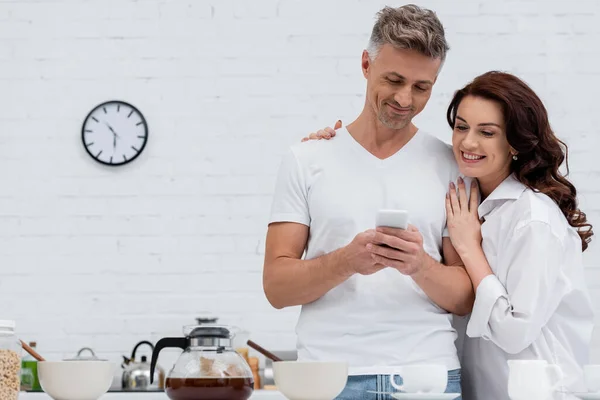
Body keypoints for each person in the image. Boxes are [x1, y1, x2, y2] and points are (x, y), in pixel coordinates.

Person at [303, 71, 595, 400]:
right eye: (461, 127)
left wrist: (469, 248)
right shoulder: (466, 203)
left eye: (487, 132)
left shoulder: (532, 219)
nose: (468, 142)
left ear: (515, 142)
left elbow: (514, 332)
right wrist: (335, 151)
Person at [263, 5, 471, 399]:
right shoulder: (306, 160)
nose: (405, 98)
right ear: (365, 64)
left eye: (422, 87)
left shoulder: (450, 166)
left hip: (425, 378)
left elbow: (464, 299)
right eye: (393, 79)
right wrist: (348, 261)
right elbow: (276, 288)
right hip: (328, 380)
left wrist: (419, 264)